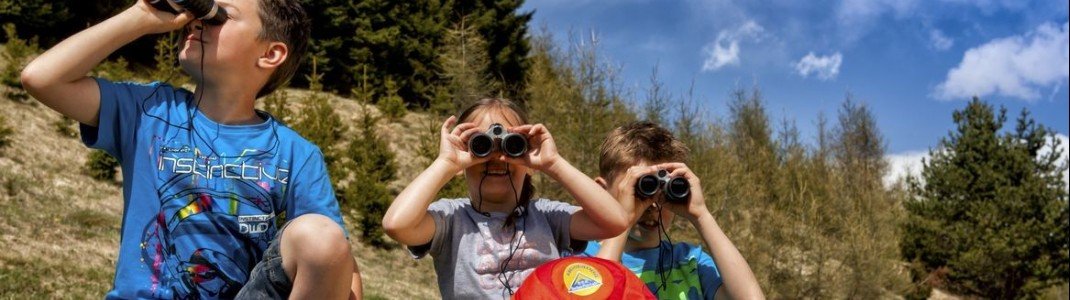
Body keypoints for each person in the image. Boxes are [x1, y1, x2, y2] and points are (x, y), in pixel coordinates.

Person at [20, 0, 360, 298]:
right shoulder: (149, 111)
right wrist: (142, 15)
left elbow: (335, 260)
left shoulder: (295, 153)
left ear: (270, 54)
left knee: (321, 236)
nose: (196, 20)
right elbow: (43, 79)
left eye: (218, 16)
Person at [382, 98, 631, 298]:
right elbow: (397, 225)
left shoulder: (547, 216)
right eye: (480, 145)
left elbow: (615, 221)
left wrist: (553, 163)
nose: (497, 157)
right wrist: (446, 163)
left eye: (512, 145)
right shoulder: (451, 218)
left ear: (528, 158)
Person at [586, 121, 763, 299]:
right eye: (642, 188)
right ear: (602, 191)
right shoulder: (581, 259)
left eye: (662, 189)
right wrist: (622, 220)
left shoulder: (691, 262)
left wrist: (701, 215)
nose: (652, 205)